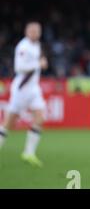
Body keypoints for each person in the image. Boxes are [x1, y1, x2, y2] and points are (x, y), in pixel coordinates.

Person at [0, 22, 48, 167]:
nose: (35, 33)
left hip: (34, 89)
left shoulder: (37, 45)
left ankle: (29, 153)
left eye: (37, 31)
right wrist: (38, 64)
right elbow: (19, 67)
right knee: (9, 123)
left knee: (40, 118)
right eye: (32, 30)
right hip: (21, 90)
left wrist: (41, 63)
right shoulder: (23, 47)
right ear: (26, 32)